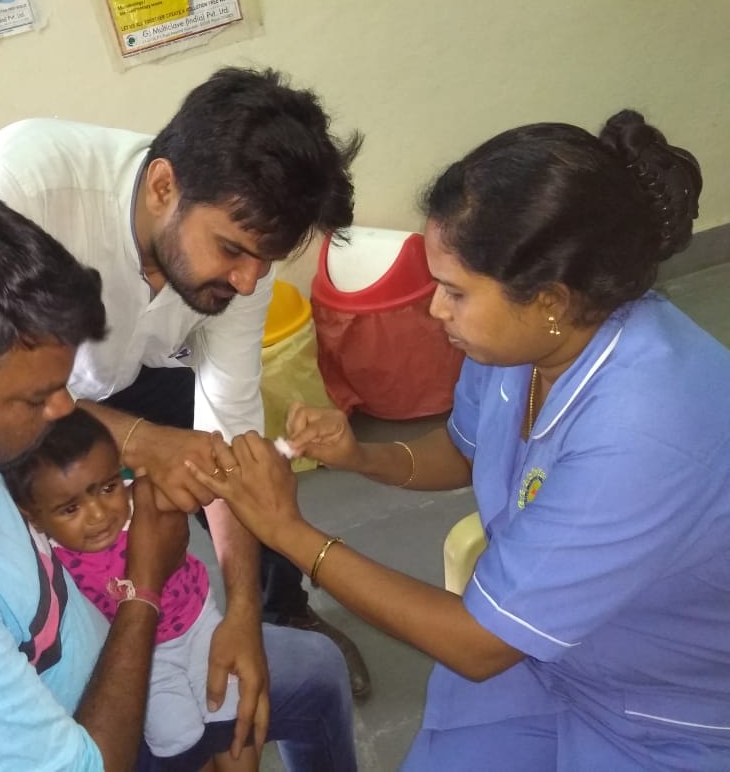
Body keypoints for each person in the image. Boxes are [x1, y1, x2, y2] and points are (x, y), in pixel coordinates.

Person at [187, 110, 730, 770]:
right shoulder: (522, 343)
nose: (434, 309)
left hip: (663, 706)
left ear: (550, 299)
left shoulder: (645, 429)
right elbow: (466, 449)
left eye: (454, 292)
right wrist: (362, 455)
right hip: (543, 657)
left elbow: (479, 643)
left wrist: (289, 531)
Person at [0, 188, 356, 772]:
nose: (64, 412)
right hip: (88, 742)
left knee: (315, 673)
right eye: (35, 398)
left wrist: (143, 459)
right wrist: (143, 585)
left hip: (105, 655)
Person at [0, 65, 372, 699]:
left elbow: (227, 425)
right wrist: (140, 441)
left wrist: (240, 615)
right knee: (53, 531)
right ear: (162, 186)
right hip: (26, 386)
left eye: (265, 261)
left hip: (141, 367)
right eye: (233, 250)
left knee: (247, 468)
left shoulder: (244, 269)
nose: (247, 281)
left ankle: (277, 612)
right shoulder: (27, 186)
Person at [4, 408, 257, 771]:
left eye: (107, 488)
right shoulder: (47, 554)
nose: (98, 514)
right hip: (144, 656)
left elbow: (217, 486)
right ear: (33, 516)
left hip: (201, 626)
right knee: (178, 742)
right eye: (71, 508)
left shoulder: (144, 501)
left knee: (232, 717)